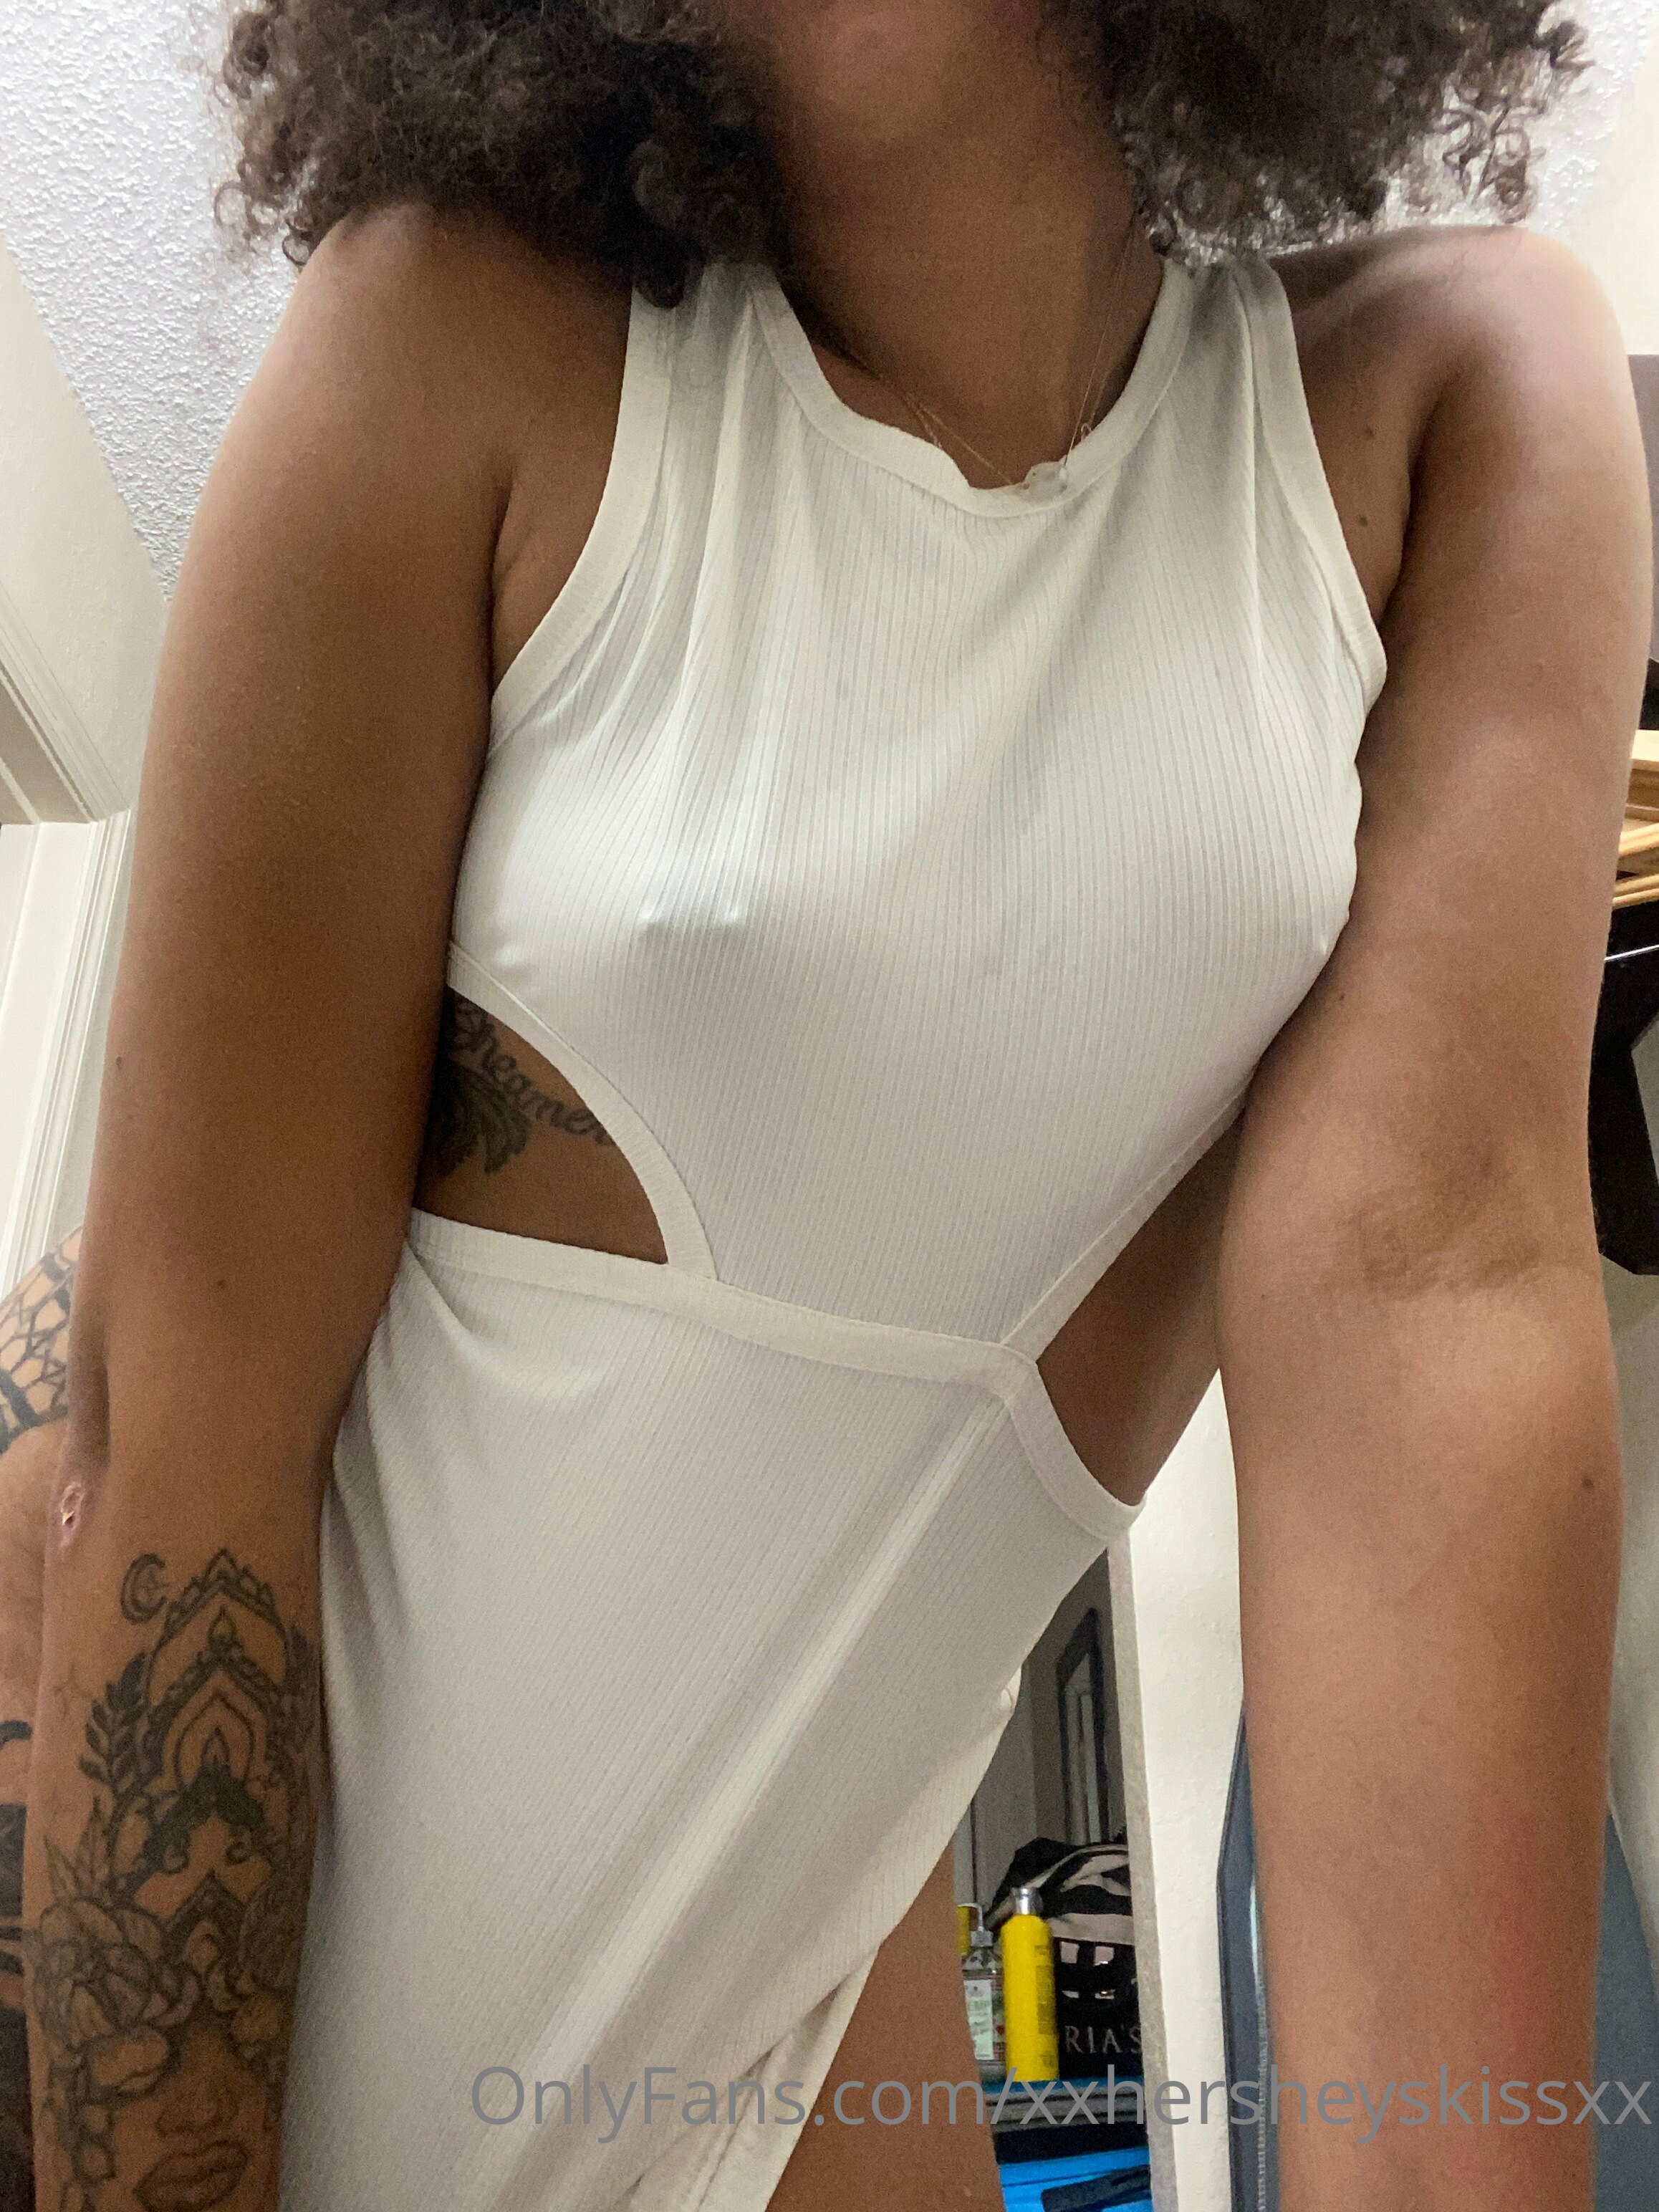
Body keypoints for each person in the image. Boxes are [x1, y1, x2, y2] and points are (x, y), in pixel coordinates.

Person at [8, 1, 1652, 2208]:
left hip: (767, 2017)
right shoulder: (453, 340)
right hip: (141, 1964)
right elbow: (171, 1445)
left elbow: (1425, 1282)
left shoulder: (1447, 402)